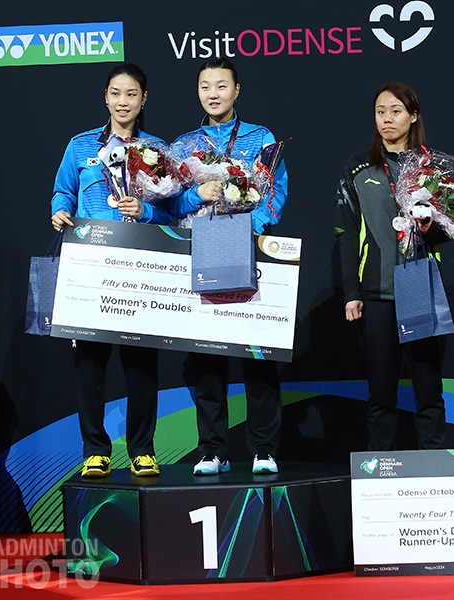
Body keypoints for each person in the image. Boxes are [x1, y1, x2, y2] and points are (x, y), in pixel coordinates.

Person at [51, 63, 173, 477]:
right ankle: (95, 450)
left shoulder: (157, 150)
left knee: (141, 363)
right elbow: (63, 191)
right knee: (89, 363)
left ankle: (142, 449)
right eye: (116, 93)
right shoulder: (80, 145)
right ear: (105, 97)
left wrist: (146, 210)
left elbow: (172, 210)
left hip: (140, 265)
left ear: (143, 100)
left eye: (132, 94)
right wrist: (59, 210)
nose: (123, 102)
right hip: (90, 265)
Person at [171, 57, 288, 476]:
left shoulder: (260, 137)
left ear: (237, 90)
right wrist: (196, 195)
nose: (213, 94)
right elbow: (170, 203)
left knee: (257, 355)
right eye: (206, 86)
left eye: (222, 85)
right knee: (206, 357)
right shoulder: (183, 146)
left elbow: (275, 189)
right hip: (202, 251)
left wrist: (252, 226)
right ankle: (212, 450)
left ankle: (264, 449)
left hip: (249, 251)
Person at [335, 82, 447, 452]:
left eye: (396, 111)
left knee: (428, 389)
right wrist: (351, 292)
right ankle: (381, 471)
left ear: (413, 116)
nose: (387, 118)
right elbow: (346, 233)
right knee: (381, 392)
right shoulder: (357, 167)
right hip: (376, 292)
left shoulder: (434, 169)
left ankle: (435, 466)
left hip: (421, 288)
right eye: (381, 111)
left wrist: (431, 229)